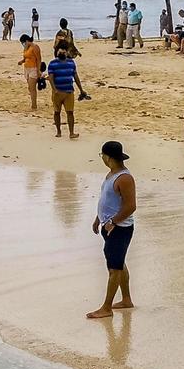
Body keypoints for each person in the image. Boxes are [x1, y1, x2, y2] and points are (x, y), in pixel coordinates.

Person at [88, 140, 137, 319]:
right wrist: (97, 219)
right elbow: (106, 201)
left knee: (114, 269)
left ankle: (106, 308)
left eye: (102, 155)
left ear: (108, 157)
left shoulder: (124, 178)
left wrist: (114, 222)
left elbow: (131, 206)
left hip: (120, 229)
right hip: (108, 226)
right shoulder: (110, 175)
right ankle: (126, 299)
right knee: (119, 263)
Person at [47, 45, 83, 139]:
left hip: (69, 92)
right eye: (60, 51)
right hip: (57, 92)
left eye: (64, 51)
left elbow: (75, 76)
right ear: (57, 52)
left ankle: (71, 133)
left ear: (67, 52)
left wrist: (81, 89)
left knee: (70, 112)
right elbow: (50, 78)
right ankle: (58, 131)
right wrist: (54, 90)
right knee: (57, 112)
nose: (62, 53)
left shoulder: (71, 63)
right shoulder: (52, 63)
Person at [17, 33, 42, 111]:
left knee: (32, 88)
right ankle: (33, 103)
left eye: (23, 43)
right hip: (27, 69)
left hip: (33, 69)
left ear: (27, 41)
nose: (23, 45)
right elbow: (26, 57)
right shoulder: (26, 48)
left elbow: (39, 59)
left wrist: (39, 70)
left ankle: (34, 106)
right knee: (30, 88)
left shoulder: (35, 47)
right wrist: (22, 61)